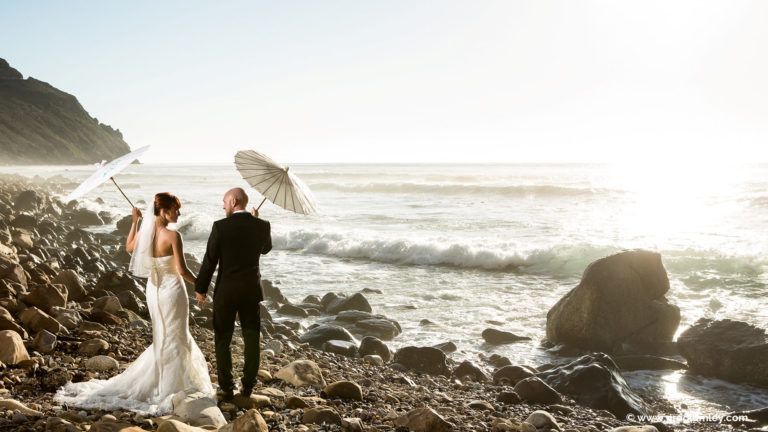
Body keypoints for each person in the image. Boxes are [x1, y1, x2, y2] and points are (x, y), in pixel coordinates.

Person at [54, 193, 213, 415]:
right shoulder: (173, 236)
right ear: (164, 211)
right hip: (172, 290)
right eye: (176, 209)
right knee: (176, 334)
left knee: (163, 334)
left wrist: (135, 221)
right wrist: (201, 286)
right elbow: (183, 270)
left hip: (153, 290)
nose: (179, 213)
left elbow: (129, 247)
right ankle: (171, 385)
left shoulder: (145, 234)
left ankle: (161, 380)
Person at [195, 187, 271, 401]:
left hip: (226, 292)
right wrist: (257, 221)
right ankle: (248, 387)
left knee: (222, 339)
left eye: (225, 201)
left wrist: (201, 288)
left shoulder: (220, 227)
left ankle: (227, 387)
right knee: (251, 338)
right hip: (250, 292)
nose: (223, 205)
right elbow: (266, 249)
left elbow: (210, 260)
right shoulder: (262, 225)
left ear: (234, 201)